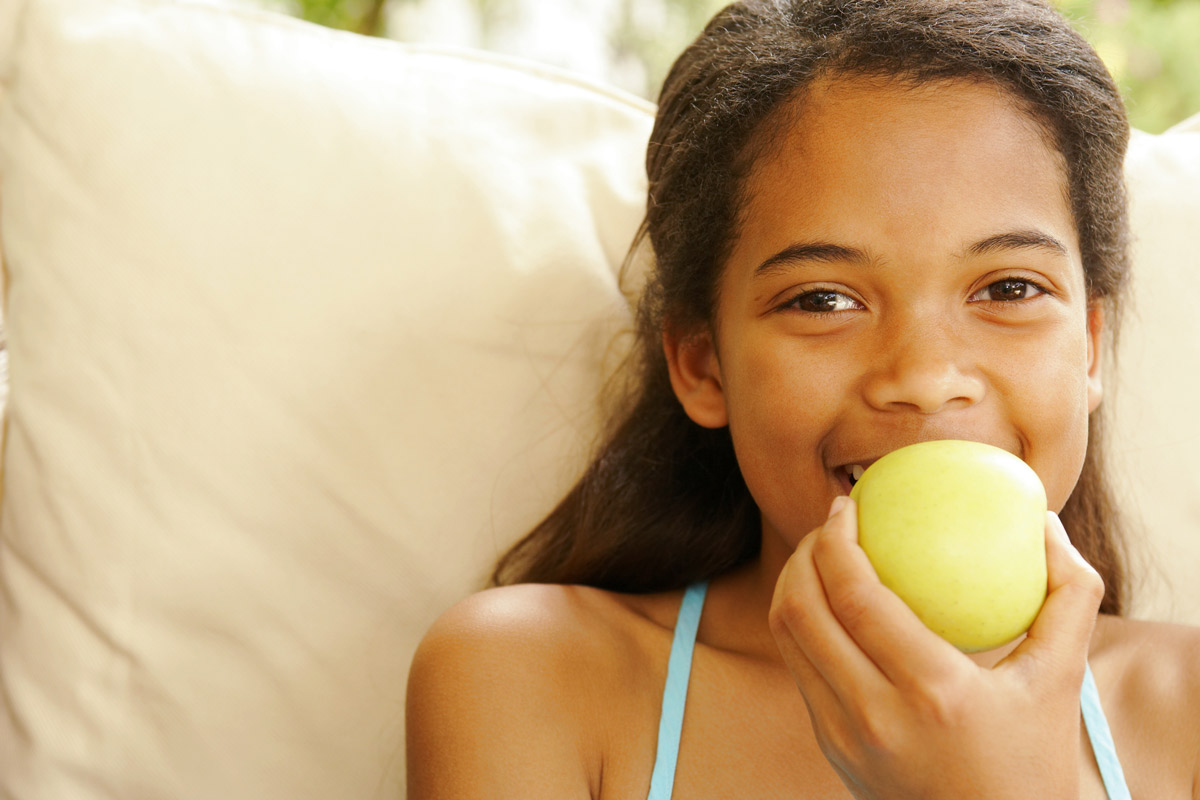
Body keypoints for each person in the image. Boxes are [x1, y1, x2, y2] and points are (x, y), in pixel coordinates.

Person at [406, 0, 1200, 797]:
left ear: (1091, 345)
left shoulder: (1185, 709)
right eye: (823, 300)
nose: (925, 376)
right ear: (703, 365)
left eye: (1010, 287)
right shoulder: (530, 678)